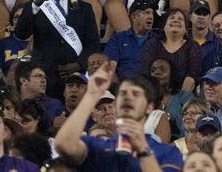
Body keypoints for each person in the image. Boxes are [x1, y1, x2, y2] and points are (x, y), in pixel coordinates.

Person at [55, 63, 183, 171]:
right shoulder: (99, 146)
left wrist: (144, 151)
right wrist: (91, 95)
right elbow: (64, 145)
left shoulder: (167, 152)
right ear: (115, 106)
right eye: (122, 93)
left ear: (149, 107)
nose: (127, 97)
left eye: (135, 94)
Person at [15, 0, 100, 99]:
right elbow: (21, 34)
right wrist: (36, 5)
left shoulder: (84, 8)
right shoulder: (36, 6)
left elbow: (93, 44)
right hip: (45, 77)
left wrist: (78, 64)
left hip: (76, 79)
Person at [140, 8, 201, 94]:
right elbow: (145, 73)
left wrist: (178, 101)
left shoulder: (192, 46)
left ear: (186, 30)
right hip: (154, 94)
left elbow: (192, 76)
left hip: (183, 97)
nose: (176, 20)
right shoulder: (152, 44)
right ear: (164, 27)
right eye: (172, 18)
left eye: (180, 19)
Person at [104, 0, 155, 80]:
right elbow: (110, 69)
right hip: (122, 86)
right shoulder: (117, 39)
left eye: (152, 13)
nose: (151, 17)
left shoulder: (157, 40)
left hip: (149, 87)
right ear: (134, 17)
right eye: (146, 13)